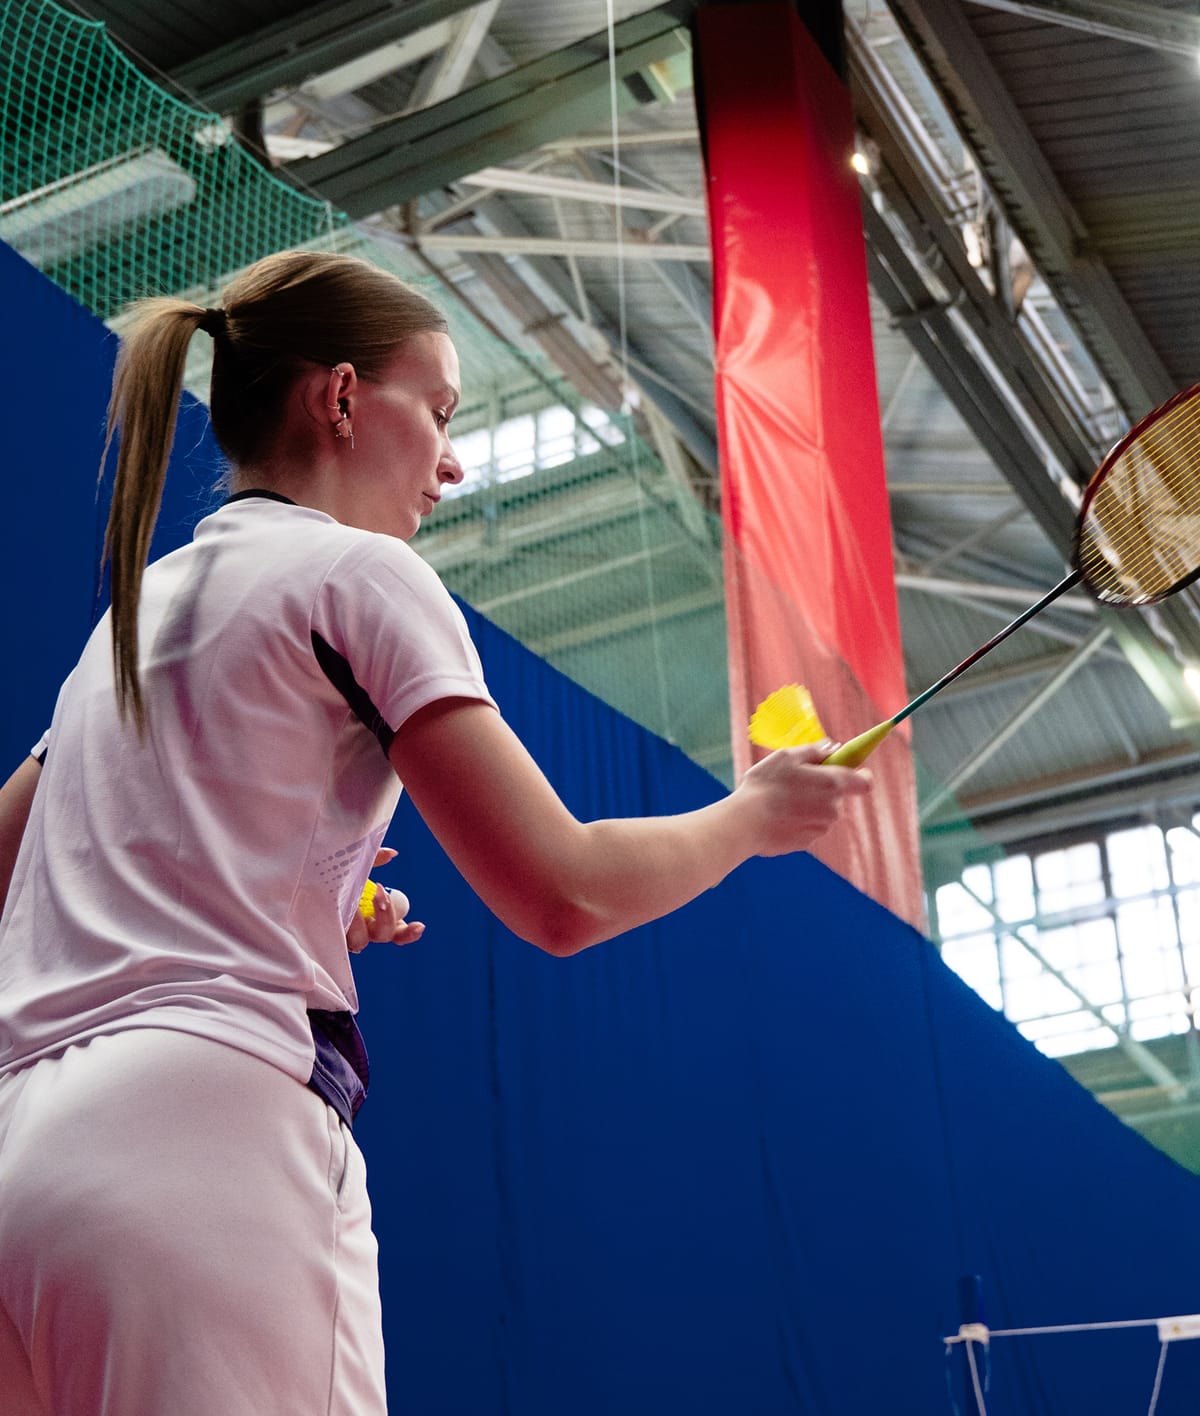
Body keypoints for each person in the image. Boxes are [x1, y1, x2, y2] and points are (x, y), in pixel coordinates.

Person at [0, 250, 871, 1415]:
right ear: (344, 396)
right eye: (443, 411)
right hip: (200, 1144)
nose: (453, 463)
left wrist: (286, 893)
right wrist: (750, 820)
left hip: (20, 1163)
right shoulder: (363, 575)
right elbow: (562, 894)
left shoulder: (134, 610)